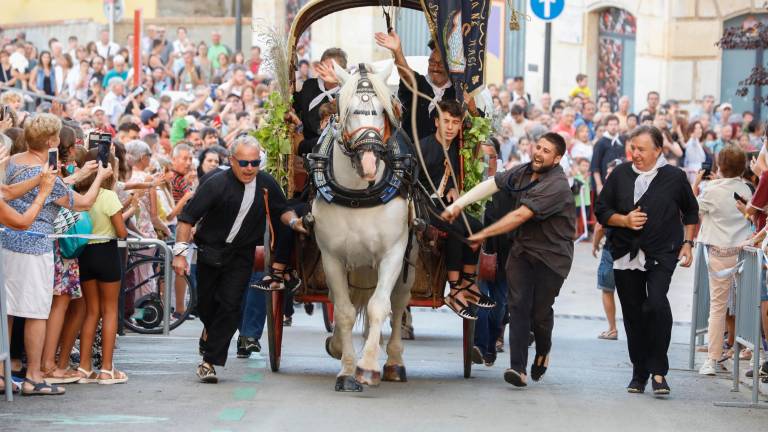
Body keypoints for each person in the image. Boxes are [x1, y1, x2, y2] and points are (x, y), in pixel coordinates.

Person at [443, 132, 576, 387]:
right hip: (522, 252)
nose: (539, 153)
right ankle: (518, 369)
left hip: (552, 258)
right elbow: (493, 183)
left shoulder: (556, 185)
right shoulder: (523, 171)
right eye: (538, 147)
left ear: (558, 158)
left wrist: (482, 234)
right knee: (518, 307)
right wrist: (458, 204)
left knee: (539, 314)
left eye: (547, 151)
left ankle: (543, 350)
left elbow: (519, 216)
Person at [172, 136, 307, 383]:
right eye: (244, 163)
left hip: (241, 255)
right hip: (209, 251)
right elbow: (186, 219)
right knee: (206, 307)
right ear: (232, 161)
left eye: (255, 163)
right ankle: (209, 331)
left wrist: (296, 223)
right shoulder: (215, 184)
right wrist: (180, 255)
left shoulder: (266, 184)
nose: (249, 168)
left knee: (231, 305)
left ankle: (209, 362)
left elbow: (283, 209)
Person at [3, 114, 111, 395]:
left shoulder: (13, 164)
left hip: (6, 242)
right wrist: (99, 176)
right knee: (37, 312)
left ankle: (2, 375)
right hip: (35, 246)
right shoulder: (48, 175)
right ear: (52, 141)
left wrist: (80, 174)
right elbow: (84, 203)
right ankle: (34, 376)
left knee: (7, 311)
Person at [595, 125, 699, 396]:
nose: (635, 153)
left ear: (658, 150)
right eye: (633, 148)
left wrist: (687, 243)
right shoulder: (619, 174)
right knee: (632, 313)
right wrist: (623, 220)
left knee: (655, 304)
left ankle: (659, 371)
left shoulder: (674, 177)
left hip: (662, 251)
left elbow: (690, 211)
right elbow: (602, 209)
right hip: (624, 252)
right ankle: (639, 372)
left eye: (641, 149)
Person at [418, 100, 494, 319]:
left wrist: (452, 187)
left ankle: (468, 283)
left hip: (444, 204)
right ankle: (454, 290)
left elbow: (452, 176)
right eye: (445, 121)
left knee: (477, 226)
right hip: (424, 205)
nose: (450, 127)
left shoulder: (456, 150)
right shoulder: (424, 147)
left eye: (455, 122)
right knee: (456, 230)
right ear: (436, 122)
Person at [694, 146, 752, 376]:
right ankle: (753, 354)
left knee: (717, 308)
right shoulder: (747, 189)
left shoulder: (711, 190)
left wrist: (698, 183)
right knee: (749, 307)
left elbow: (693, 208)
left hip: (719, 253)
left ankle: (712, 358)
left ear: (719, 166)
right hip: (746, 254)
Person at [74, 150, 129, 385]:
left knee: (91, 311)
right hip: (106, 251)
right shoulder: (107, 196)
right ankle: (107, 368)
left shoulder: (78, 193)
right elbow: (121, 232)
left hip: (84, 252)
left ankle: (84, 367)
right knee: (109, 311)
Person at [375, 31, 455, 142]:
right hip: (411, 155)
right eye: (432, 63)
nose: (435, 68)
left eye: (440, 64)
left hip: (447, 157)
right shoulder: (419, 83)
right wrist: (397, 51)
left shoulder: (457, 91)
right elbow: (406, 74)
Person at [291, 48, 347, 143]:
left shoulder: (346, 92)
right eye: (324, 66)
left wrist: (339, 81)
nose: (326, 71)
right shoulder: (310, 85)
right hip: (306, 142)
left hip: (333, 145)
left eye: (332, 68)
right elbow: (295, 104)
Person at [590, 114, 625, 193]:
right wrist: (599, 185)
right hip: (605, 182)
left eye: (615, 124)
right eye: (611, 124)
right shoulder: (601, 143)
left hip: (619, 182)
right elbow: (595, 166)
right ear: (606, 126)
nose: (613, 127)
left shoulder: (622, 141)